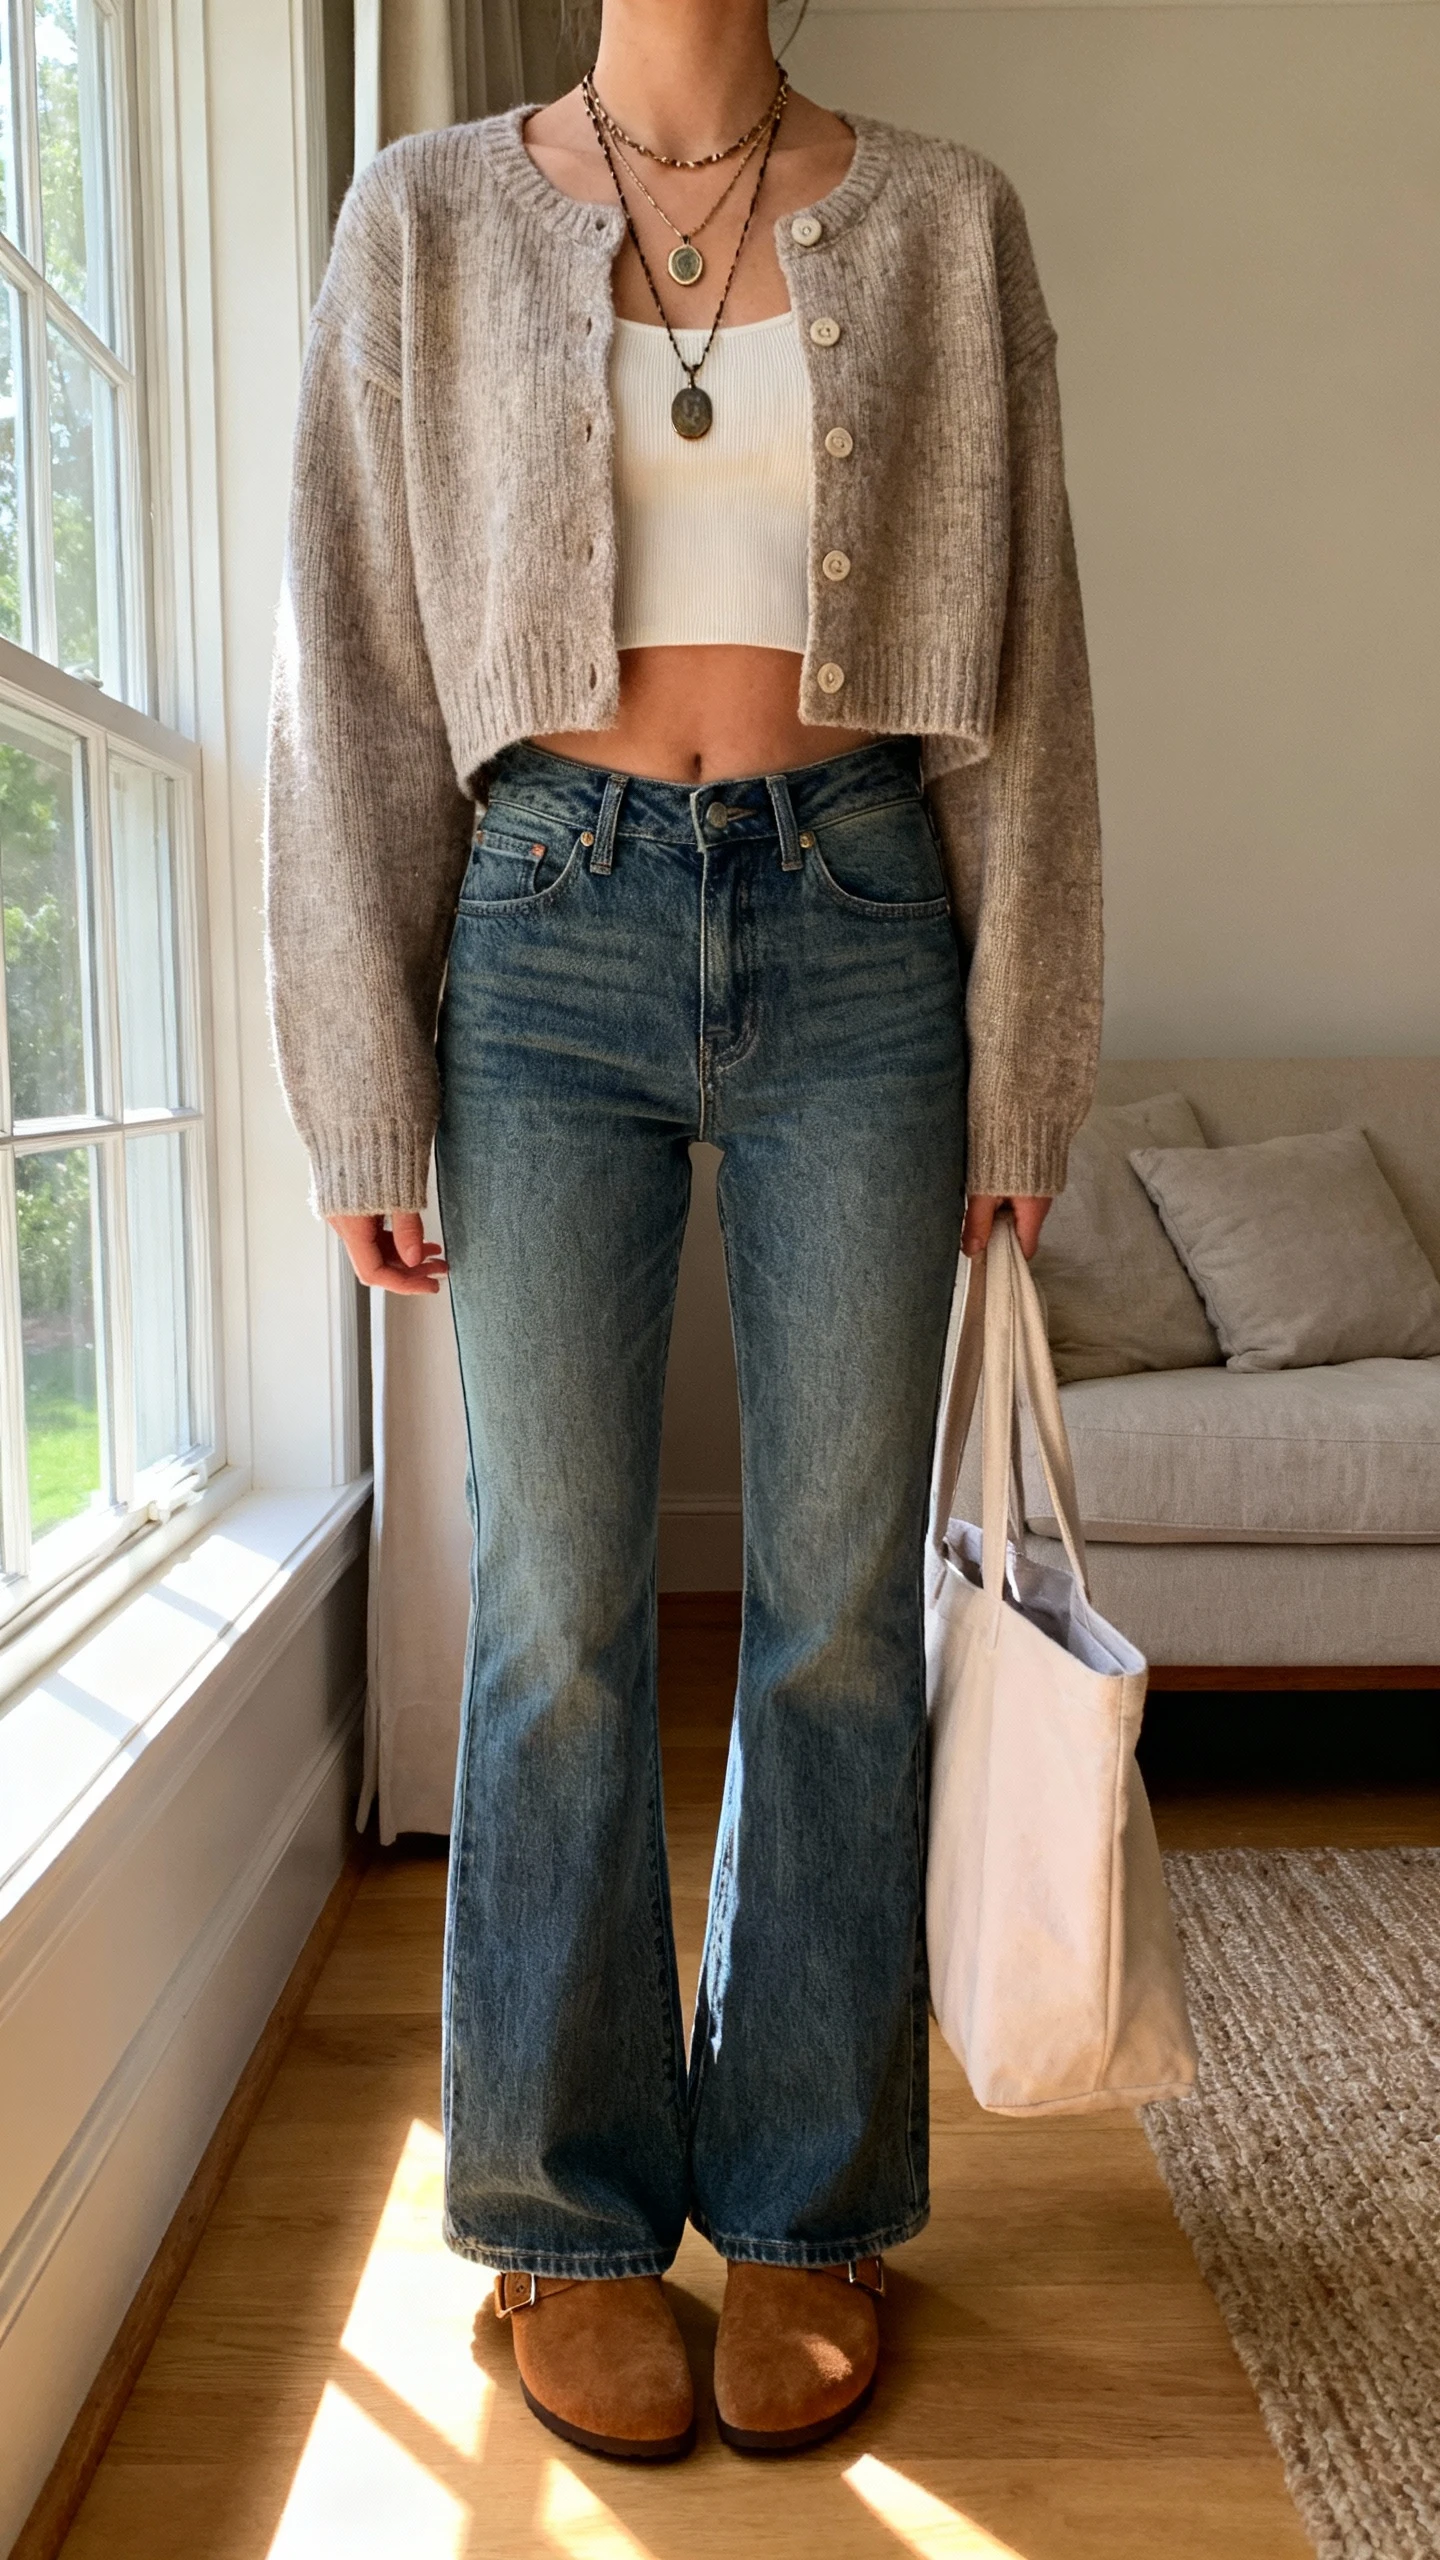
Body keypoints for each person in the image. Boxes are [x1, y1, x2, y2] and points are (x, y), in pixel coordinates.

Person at [264, 0, 1102, 2467]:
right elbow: (340, 663)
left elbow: (1031, 669)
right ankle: (563, 2212)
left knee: (839, 1602)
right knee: (552, 1599)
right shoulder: (421, 217)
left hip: (867, 930)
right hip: (543, 925)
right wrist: (359, 1072)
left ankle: (814, 2192)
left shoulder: (947, 221)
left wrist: (1030, 1044)